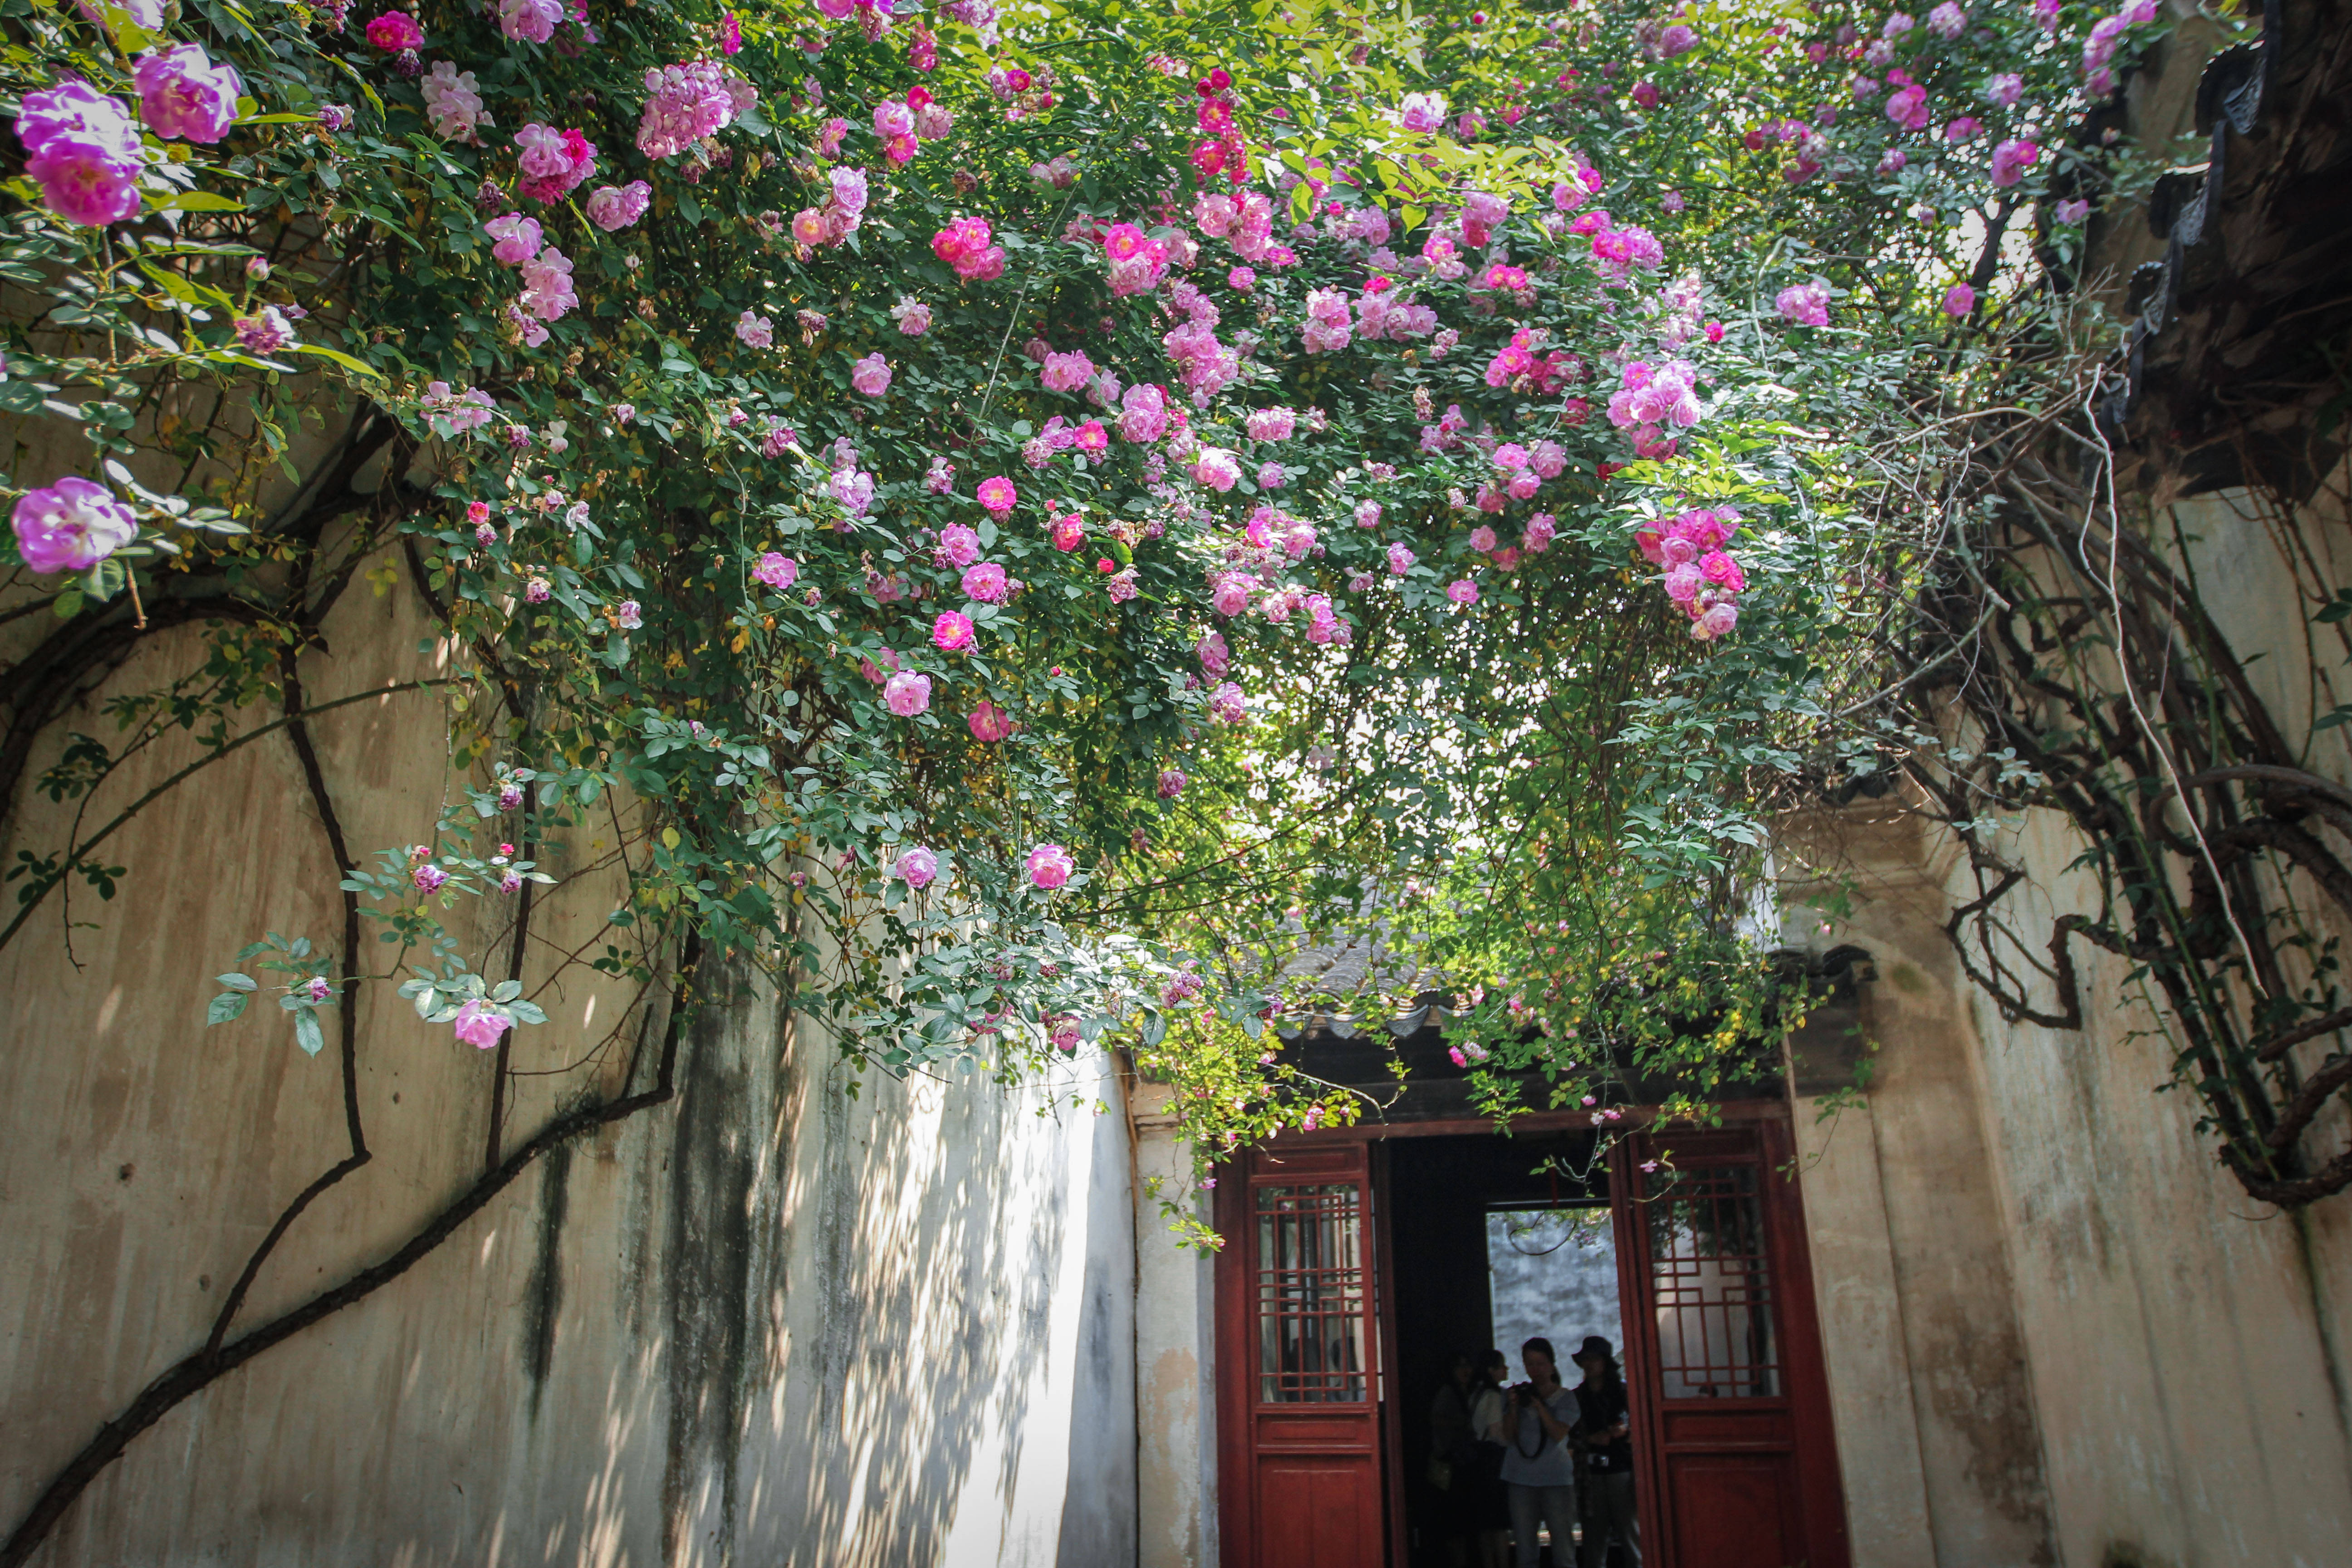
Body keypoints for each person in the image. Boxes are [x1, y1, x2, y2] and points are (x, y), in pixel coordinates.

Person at [1498, 1337, 1578, 1568]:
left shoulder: (1566, 1397)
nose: (1536, 1370)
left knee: (1563, 1548)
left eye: (1541, 1364)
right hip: (1520, 1479)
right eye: (1530, 1364)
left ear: (1552, 1365)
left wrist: (1539, 1406)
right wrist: (1514, 1407)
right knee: (1525, 1549)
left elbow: (1558, 1433)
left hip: (1557, 1480)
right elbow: (1508, 1436)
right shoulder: (1514, 1397)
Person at [1569, 1336, 1640, 1568]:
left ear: (1605, 1362)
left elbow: (1641, 1428)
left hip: (1621, 1470)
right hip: (1590, 1474)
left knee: (1631, 1536)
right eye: (1586, 1359)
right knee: (1593, 1541)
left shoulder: (1623, 1393)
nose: (1590, 1364)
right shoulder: (1577, 1397)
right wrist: (1591, 1439)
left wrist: (1625, 1430)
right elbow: (1567, 1437)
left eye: (1595, 1359)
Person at [1429, 1353, 1480, 1565]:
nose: (1465, 1371)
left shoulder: (1471, 1392)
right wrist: (1463, 1423)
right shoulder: (1448, 1392)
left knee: (1465, 1520)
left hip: (1466, 1463)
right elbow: (1437, 1419)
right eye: (1460, 1367)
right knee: (1454, 1522)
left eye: (1468, 1366)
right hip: (1451, 1464)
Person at [1467, 1350, 1514, 1568]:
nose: (1506, 1370)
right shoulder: (1494, 1396)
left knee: (1484, 1523)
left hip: (1477, 1459)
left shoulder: (1476, 1392)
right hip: (1493, 1459)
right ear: (1492, 1371)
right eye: (1502, 1366)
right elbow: (1497, 1432)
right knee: (1498, 1523)